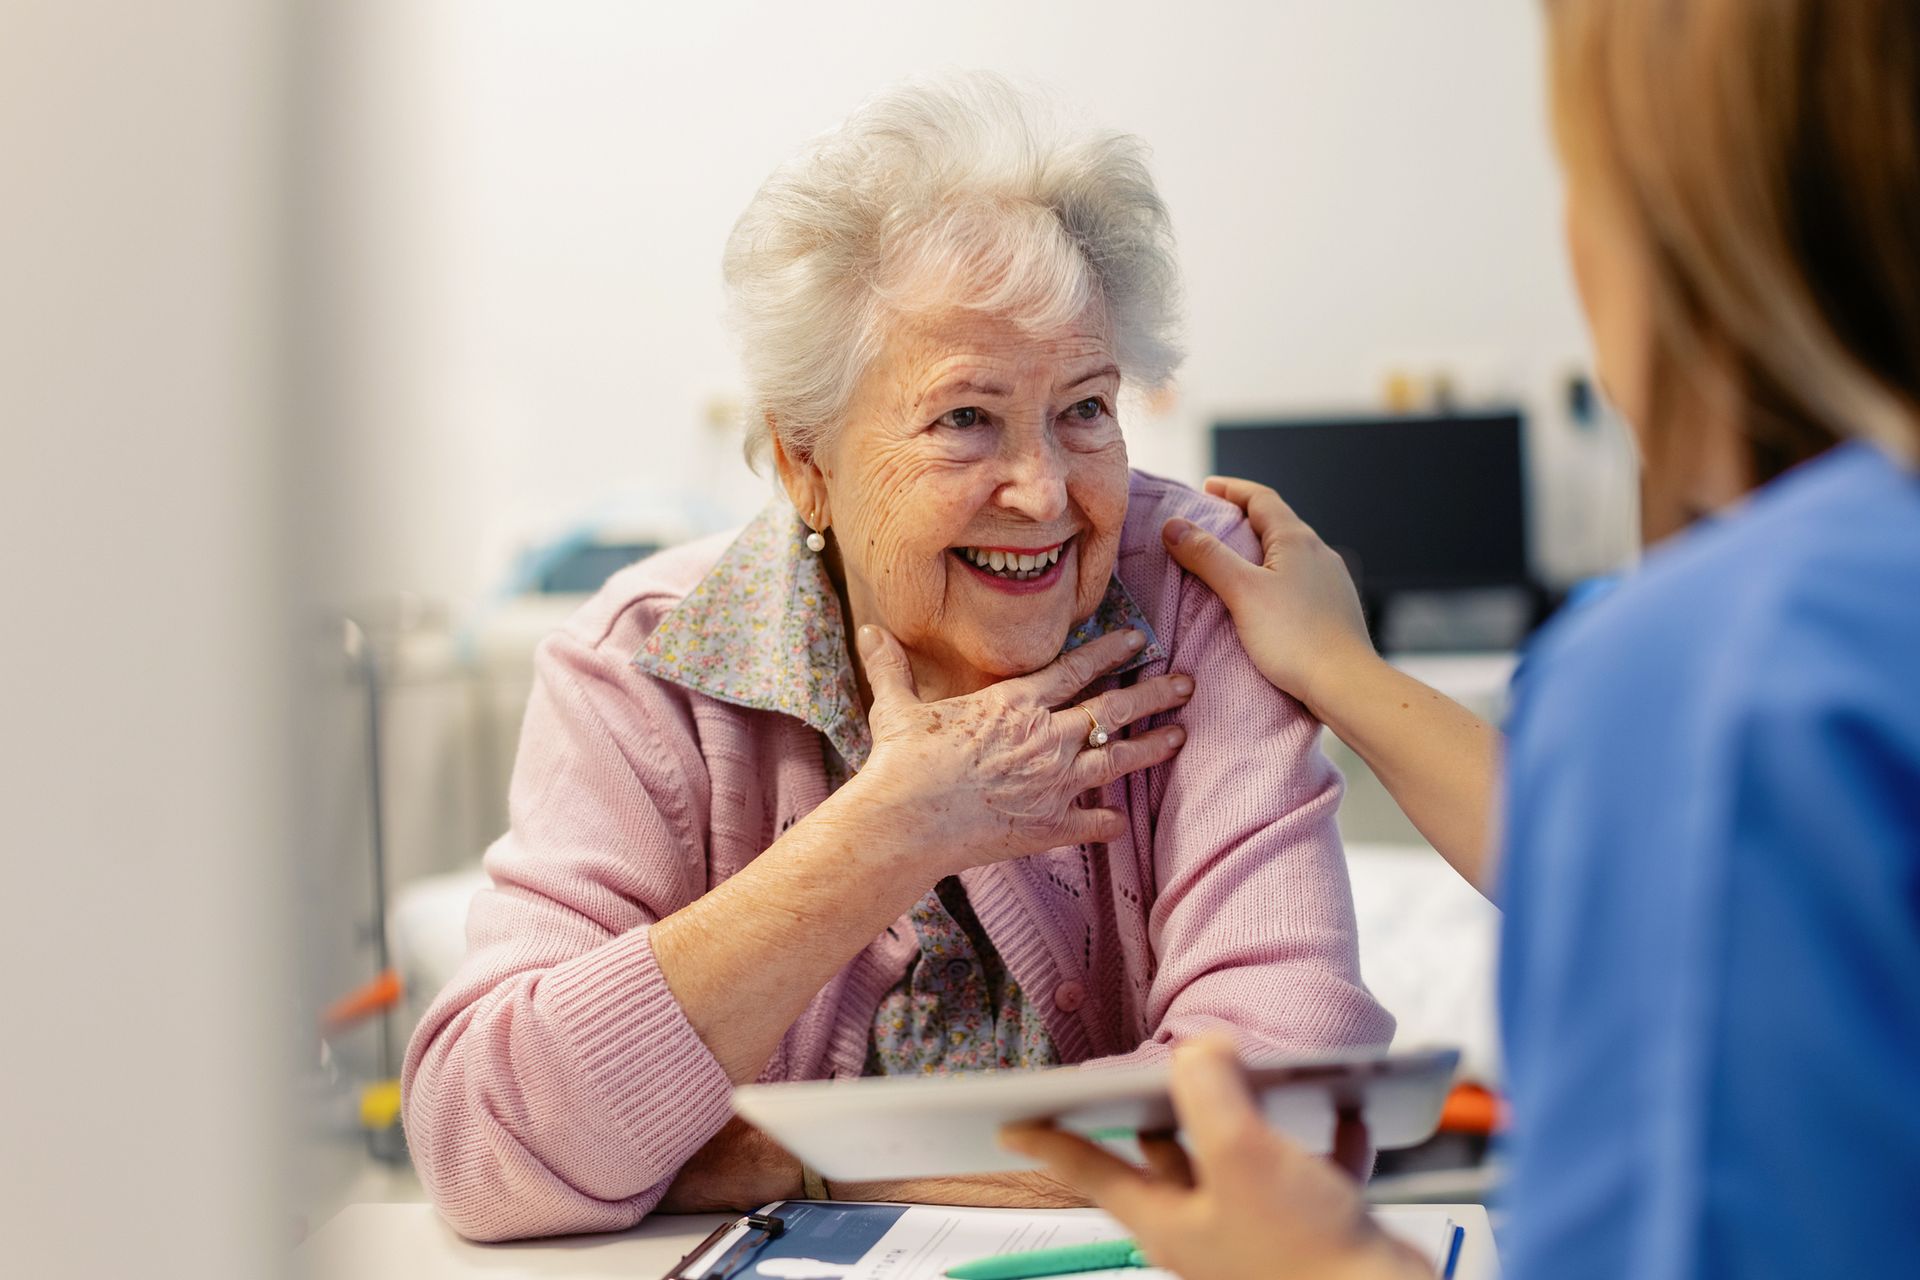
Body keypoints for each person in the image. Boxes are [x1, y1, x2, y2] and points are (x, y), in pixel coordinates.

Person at [1007, 2, 1920, 1277]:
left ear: (1679, 230)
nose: (1040, 491)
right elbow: (1637, 868)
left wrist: (1328, 1266)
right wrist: (1344, 671)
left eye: (1087, 408)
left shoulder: (1733, 674)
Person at [401, 79, 1394, 1243]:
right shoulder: (645, 663)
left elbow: (1282, 1124)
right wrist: (889, 831)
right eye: (966, 418)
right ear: (804, 461)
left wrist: (774, 1160)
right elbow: (486, 1143)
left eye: (1084, 407)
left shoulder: (1200, 597)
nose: (1043, 492)